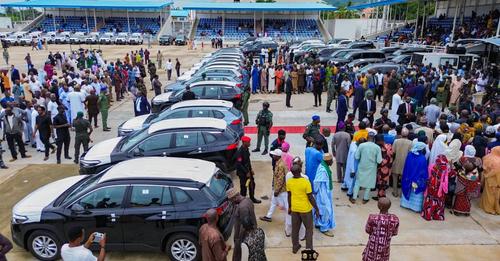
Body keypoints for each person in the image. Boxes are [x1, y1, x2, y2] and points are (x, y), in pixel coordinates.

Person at [287, 164, 320, 254]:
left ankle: (295, 247)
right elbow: (310, 197)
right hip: (305, 210)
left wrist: (290, 207)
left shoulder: (289, 182)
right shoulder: (306, 182)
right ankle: (308, 249)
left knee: (295, 229)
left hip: (295, 209)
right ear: (300, 170)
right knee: (309, 229)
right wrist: (316, 208)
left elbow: (289, 195)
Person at [226, 188, 257, 261]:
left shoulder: (242, 207)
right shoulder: (248, 200)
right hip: (246, 235)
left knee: (239, 256)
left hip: (242, 237)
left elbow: (247, 225)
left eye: (232, 200)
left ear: (235, 197)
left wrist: (240, 241)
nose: (232, 203)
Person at [351, 131, 382, 204]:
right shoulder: (377, 147)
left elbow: (356, 156)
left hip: (362, 166)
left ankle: (354, 198)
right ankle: (365, 198)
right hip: (372, 168)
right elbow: (379, 160)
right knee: (369, 184)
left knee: (358, 182)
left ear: (367, 138)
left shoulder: (362, 145)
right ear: (374, 139)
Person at [452, 146, 482, 216]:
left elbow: (456, 166)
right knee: (468, 195)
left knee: (460, 195)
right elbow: (480, 170)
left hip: (462, 179)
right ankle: (466, 211)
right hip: (473, 179)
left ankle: (457, 210)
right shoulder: (478, 159)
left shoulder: (463, 159)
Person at [260, 149, 288, 223]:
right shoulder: (278, 162)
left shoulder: (281, 165)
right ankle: (268, 216)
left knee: (285, 205)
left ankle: (289, 220)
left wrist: (277, 190)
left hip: (281, 190)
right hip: (276, 187)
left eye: (274, 155)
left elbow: (280, 179)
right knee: (273, 202)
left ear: (277, 156)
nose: (272, 156)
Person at [400, 142, 428, 212]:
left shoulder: (409, 155)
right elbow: (423, 171)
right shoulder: (422, 158)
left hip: (408, 177)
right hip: (417, 180)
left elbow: (406, 166)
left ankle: (405, 204)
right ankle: (415, 208)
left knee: (407, 190)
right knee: (416, 193)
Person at [421, 155, 450, 221]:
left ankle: (427, 215)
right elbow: (446, 179)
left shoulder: (431, 166)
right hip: (440, 188)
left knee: (430, 200)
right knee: (438, 201)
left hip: (432, 186)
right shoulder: (445, 168)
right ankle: (436, 215)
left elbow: (428, 176)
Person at [313, 153, 335, 237]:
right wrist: (316, 191)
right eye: (331, 160)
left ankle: (318, 223)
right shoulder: (323, 170)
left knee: (320, 208)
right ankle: (324, 228)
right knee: (326, 210)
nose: (332, 161)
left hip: (325, 191)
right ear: (328, 161)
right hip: (322, 193)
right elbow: (316, 181)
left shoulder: (325, 166)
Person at [235, 136, 261, 204]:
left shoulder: (246, 149)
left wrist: (251, 169)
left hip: (248, 171)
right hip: (242, 173)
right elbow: (239, 164)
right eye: (248, 142)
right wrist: (246, 172)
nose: (250, 143)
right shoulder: (240, 152)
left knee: (252, 185)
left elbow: (248, 161)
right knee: (243, 187)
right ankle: (242, 201)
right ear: (244, 142)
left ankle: (252, 198)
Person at [391, 128, 413, 197]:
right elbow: (410, 153)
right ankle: (401, 193)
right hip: (405, 163)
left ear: (401, 133)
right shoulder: (410, 142)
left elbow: (393, 152)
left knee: (395, 178)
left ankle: (395, 192)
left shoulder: (396, 141)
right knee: (403, 179)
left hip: (397, 161)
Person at [480, 146, 500, 215]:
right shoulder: (498, 160)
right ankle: (490, 209)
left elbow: (484, 167)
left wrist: (486, 175)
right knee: (495, 195)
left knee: (488, 193)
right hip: (496, 179)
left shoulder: (486, 157)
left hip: (489, 179)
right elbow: (495, 171)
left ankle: (487, 206)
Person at [375, 134, 393, 199]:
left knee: (381, 182)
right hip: (388, 167)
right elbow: (391, 156)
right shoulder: (389, 146)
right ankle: (382, 195)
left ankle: (380, 196)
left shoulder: (380, 148)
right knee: (384, 182)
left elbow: (380, 160)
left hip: (382, 167)